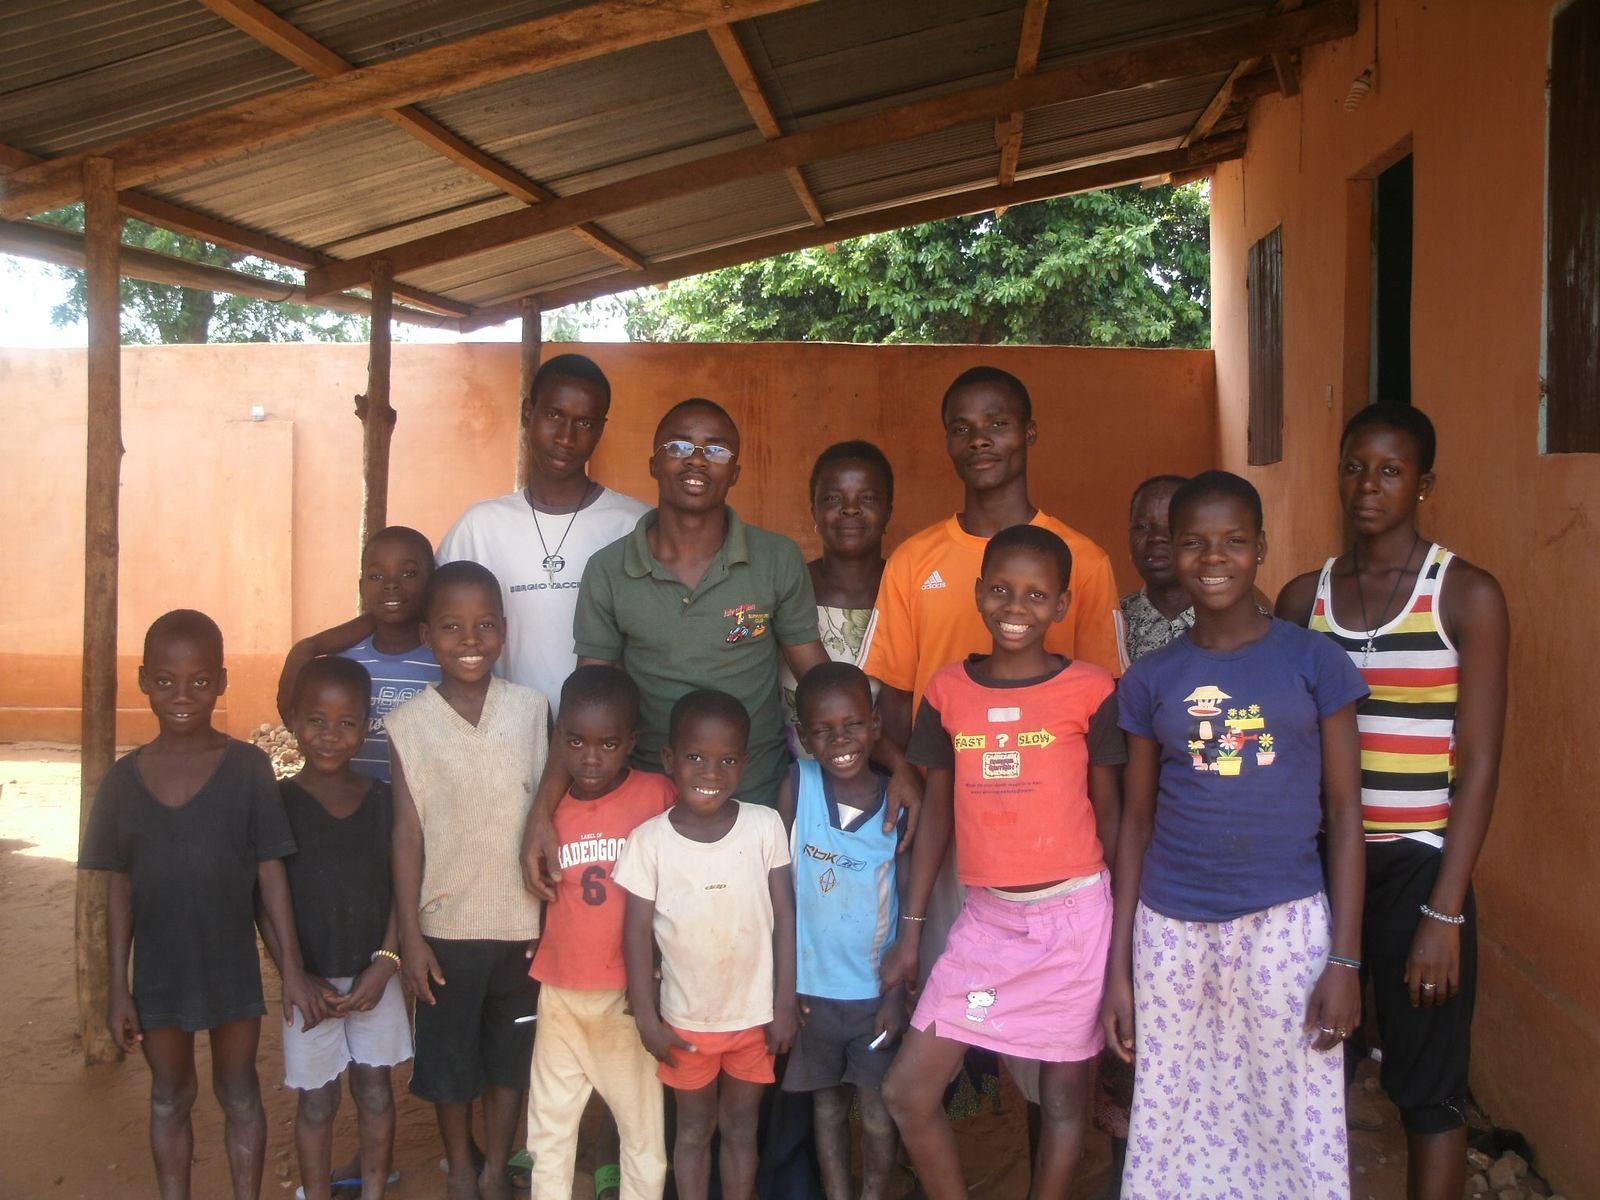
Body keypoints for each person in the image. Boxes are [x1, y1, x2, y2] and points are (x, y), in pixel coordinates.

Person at [524, 398, 919, 897]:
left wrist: (899, 766)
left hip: (757, 800)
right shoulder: (609, 570)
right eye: (679, 445)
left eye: (715, 448)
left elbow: (821, 682)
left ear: (735, 471)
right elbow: (586, 708)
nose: (696, 458)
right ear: (654, 463)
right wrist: (544, 811)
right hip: (648, 800)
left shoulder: (775, 559)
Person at [1104, 471, 1367, 1200]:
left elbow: (1347, 817)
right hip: (1170, 929)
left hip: (1285, 925)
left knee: (1288, 1110)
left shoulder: (1315, 663)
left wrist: (1344, 958)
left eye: (1233, 542)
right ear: (1171, 551)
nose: (1212, 558)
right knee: (1175, 1107)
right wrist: (1119, 966)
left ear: (1261, 548)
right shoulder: (1153, 678)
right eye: (1193, 542)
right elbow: (1138, 821)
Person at [1277, 406, 1508, 1200]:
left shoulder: (1465, 595)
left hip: (1419, 869)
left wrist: (1444, 915)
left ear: (1423, 485)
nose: (1367, 485)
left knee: (1428, 1089)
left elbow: (1477, 763)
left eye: (1389, 470)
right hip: (1317, 867)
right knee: (1310, 1068)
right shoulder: (1303, 599)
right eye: (1354, 466)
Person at [880, 525, 1124, 1200]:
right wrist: (911, 930)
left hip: (1075, 925)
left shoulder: (1093, 690)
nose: (1016, 605)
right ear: (979, 593)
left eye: (1036, 594)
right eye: (1001, 589)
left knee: (1064, 1096)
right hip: (987, 929)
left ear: (1063, 605)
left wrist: (1124, 945)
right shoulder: (948, 690)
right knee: (909, 1089)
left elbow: (1112, 818)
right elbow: (936, 813)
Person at [80, 609, 316, 1200]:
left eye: (200, 681)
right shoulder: (121, 783)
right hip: (158, 972)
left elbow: (271, 874)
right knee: (169, 1096)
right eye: (165, 681)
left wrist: (291, 970)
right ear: (142, 680)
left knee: (239, 1092)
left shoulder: (248, 771)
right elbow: (119, 889)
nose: (182, 696)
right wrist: (117, 985)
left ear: (222, 681)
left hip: (229, 965)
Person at [386, 561, 549, 1200]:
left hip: (521, 928)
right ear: (428, 634)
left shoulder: (533, 711)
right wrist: (409, 937)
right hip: (444, 930)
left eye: (484, 625)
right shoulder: (409, 726)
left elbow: (549, 817)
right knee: (450, 1064)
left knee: (511, 1062)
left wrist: (552, 923)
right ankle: (459, 1168)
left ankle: (495, 1166)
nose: (470, 640)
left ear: (504, 631)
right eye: (452, 627)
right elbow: (407, 835)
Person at [614, 690, 798, 1200]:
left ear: (745, 763)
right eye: (695, 757)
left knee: (741, 1128)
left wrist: (784, 1003)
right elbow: (635, 934)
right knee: (693, 1131)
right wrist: (648, 1018)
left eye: (726, 760)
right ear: (670, 759)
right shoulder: (649, 841)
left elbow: (786, 916)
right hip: (685, 1023)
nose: (709, 772)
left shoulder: (763, 827)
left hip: (753, 1018)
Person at [525, 666, 675, 1200]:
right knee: (549, 1129)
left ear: (632, 741)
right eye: (576, 742)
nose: (591, 757)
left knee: (642, 1135)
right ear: (559, 739)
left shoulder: (658, 795)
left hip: (626, 997)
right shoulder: (548, 812)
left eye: (608, 743)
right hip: (560, 989)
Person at [269, 657, 410, 1200]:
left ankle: (373, 1190)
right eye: (316, 721)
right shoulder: (278, 805)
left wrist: (387, 961)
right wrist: (294, 974)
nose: (330, 735)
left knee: (376, 1091)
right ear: (295, 722)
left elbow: (404, 885)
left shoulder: (382, 801)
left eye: (346, 722)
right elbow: (267, 900)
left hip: (377, 975)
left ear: (367, 722)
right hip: (310, 986)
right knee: (317, 1100)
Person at [439, 353, 649, 709]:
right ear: (527, 413)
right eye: (554, 415)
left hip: (604, 747)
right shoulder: (480, 527)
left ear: (599, 430)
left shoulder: (635, 525)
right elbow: (423, 616)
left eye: (584, 423)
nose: (566, 438)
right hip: (506, 743)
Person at [777, 662, 906, 1200]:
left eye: (852, 725)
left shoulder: (898, 802)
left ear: (875, 725)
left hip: (874, 997)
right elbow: (778, 891)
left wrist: (897, 994)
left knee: (878, 1115)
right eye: (823, 731)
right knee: (826, 1110)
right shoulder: (798, 786)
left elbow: (906, 906)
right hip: (811, 997)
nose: (840, 741)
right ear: (803, 736)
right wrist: (785, 989)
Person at [274, 525, 441, 782]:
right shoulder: (344, 666)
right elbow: (294, 718)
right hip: (354, 813)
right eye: (377, 576)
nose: (392, 585)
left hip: (422, 817)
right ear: (362, 586)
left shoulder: (445, 664)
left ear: (432, 581)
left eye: (408, 573)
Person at [779, 441, 894, 757]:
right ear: (813, 510)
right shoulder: (789, 587)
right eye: (833, 498)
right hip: (801, 777)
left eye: (867, 498)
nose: (850, 508)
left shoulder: (906, 589)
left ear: (888, 512)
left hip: (890, 775)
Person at [1117, 474, 1192, 668]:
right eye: (1142, 527)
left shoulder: (1236, 623)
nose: (1157, 537)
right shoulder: (1113, 623)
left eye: (1172, 526)